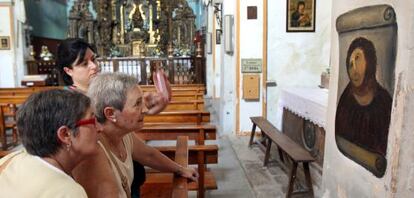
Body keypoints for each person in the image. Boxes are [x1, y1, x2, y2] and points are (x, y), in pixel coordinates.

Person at [55, 38, 197, 197]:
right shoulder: (69, 106)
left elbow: (144, 151)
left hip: (128, 176)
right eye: (84, 63)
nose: (94, 66)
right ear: (68, 71)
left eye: (94, 59)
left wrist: (145, 107)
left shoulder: (104, 94)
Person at [72, 73, 198, 198]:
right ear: (110, 114)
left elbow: (149, 155)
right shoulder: (93, 153)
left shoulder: (123, 135)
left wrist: (180, 169)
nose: (144, 109)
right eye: (137, 104)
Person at [0, 89, 100, 197]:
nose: (100, 128)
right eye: (93, 120)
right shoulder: (67, 192)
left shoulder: (10, 160)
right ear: (65, 134)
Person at [335, 37, 392, 177]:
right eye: (350, 64)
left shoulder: (384, 102)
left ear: (370, 62)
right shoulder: (345, 101)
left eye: (358, 59)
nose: (353, 69)